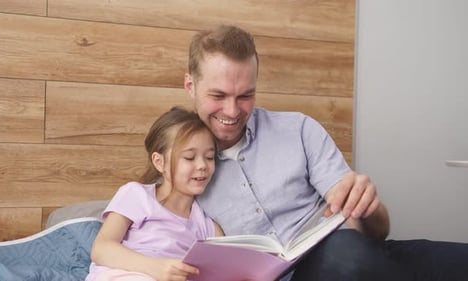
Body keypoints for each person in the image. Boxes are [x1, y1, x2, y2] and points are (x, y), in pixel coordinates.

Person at [183, 24, 468, 281]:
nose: (233, 111)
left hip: (355, 256)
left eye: (246, 95)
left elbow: (377, 232)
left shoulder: (298, 129)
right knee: (345, 257)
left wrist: (368, 208)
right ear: (190, 87)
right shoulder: (177, 166)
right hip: (320, 268)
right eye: (218, 96)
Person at [85, 107, 224, 281]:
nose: (202, 165)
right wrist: (156, 268)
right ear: (159, 162)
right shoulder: (136, 195)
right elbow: (101, 249)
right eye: (189, 157)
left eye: (209, 157)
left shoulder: (208, 227)